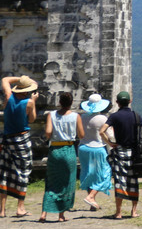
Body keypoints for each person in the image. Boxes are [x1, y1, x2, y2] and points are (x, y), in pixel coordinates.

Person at [40, 90, 85, 221]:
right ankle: (61, 214)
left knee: (51, 181)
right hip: (69, 149)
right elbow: (81, 135)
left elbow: (48, 132)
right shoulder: (76, 116)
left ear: (59, 102)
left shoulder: (51, 115)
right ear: (71, 103)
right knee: (67, 182)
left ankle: (44, 213)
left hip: (55, 149)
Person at [0, 74, 39, 217]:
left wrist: (21, 79)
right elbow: (32, 119)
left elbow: (4, 80)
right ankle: (20, 207)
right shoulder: (28, 103)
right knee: (23, 171)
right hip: (21, 138)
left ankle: (2, 210)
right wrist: (33, 101)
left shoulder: (9, 97)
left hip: (7, 139)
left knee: (4, 172)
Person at [102, 90, 140, 219]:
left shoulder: (114, 116)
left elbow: (102, 131)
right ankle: (134, 211)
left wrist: (110, 143)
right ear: (130, 101)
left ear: (117, 103)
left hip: (120, 151)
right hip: (133, 152)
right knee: (133, 181)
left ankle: (118, 212)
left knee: (119, 181)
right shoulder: (136, 116)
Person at [78, 92, 113, 211]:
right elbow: (109, 134)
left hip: (83, 147)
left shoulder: (82, 117)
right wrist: (112, 143)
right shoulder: (103, 118)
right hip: (97, 148)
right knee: (105, 174)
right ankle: (91, 196)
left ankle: (92, 202)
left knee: (89, 174)